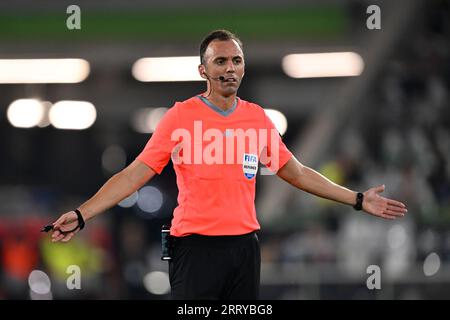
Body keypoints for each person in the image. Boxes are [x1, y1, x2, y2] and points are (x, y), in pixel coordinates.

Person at [49, 29, 407, 299]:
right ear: (203, 69)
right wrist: (82, 215)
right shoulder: (180, 117)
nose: (230, 68)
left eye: (236, 61)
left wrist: (357, 199)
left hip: (243, 249)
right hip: (194, 248)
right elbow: (133, 176)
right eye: (220, 61)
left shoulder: (257, 119)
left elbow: (296, 172)